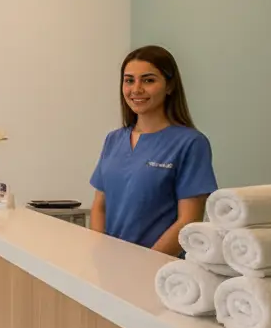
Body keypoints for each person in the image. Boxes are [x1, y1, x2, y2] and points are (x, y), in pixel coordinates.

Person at [89, 45, 217, 255]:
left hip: (161, 267)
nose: (136, 89)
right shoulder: (113, 140)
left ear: (169, 86)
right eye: (129, 80)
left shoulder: (191, 143)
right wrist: (100, 252)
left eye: (148, 80)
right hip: (110, 265)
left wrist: (145, 264)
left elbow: (188, 220)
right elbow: (99, 206)